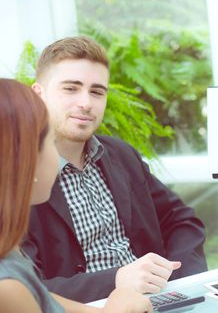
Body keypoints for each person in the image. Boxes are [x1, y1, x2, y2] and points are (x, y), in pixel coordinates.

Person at [21, 36, 207, 303]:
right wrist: (116, 280)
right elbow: (24, 290)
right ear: (38, 94)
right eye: (71, 89)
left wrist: (185, 284)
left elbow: (181, 220)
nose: (85, 103)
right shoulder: (16, 176)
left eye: (97, 91)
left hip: (158, 301)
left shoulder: (120, 154)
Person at [0, 78, 152, 312]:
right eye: (51, 141)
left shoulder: (8, 250)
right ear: (25, 159)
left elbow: (43, 297)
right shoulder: (7, 288)